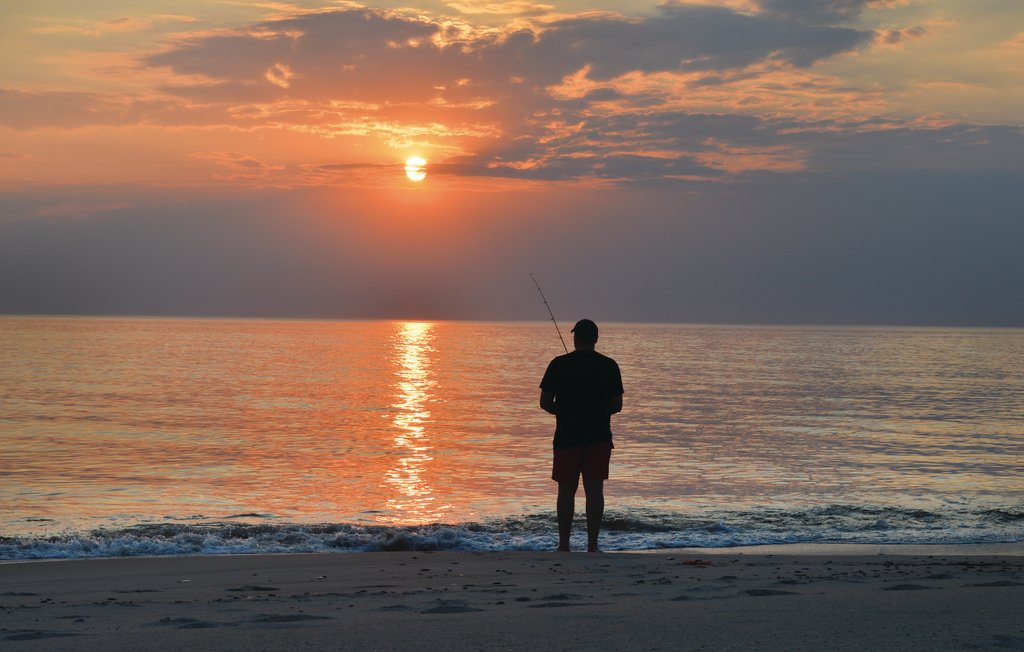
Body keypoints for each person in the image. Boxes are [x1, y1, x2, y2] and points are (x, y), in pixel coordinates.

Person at [539, 319, 623, 552]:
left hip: (566, 435)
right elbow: (617, 405)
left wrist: (564, 411)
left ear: (575, 338)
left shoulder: (558, 364)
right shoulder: (610, 366)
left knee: (566, 490)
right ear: (596, 339)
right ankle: (592, 546)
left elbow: (545, 402)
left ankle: (564, 545)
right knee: (594, 489)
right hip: (599, 436)